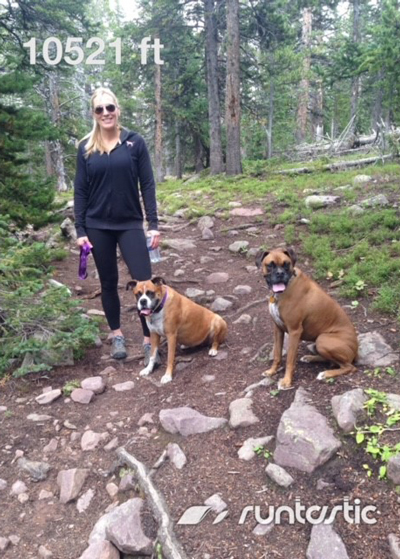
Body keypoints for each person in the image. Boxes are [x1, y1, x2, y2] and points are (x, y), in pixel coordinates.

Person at [74, 86, 160, 363]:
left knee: (144, 281)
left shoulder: (135, 142)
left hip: (130, 223)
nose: (106, 113)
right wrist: (80, 230)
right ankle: (118, 336)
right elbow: (80, 191)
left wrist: (153, 224)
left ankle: (150, 341)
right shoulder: (85, 148)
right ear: (94, 114)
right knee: (109, 282)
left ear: (117, 109)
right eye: (100, 109)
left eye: (110, 107)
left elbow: (147, 184)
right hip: (97, 225)